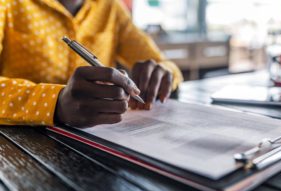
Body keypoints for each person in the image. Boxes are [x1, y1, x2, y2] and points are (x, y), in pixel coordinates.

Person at [0, 0, 183, 127]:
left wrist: (164, 72)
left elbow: (166, 64)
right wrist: (55, 102)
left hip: (101, 141)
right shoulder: (7, 5)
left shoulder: (111, 8)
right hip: (23, 141)